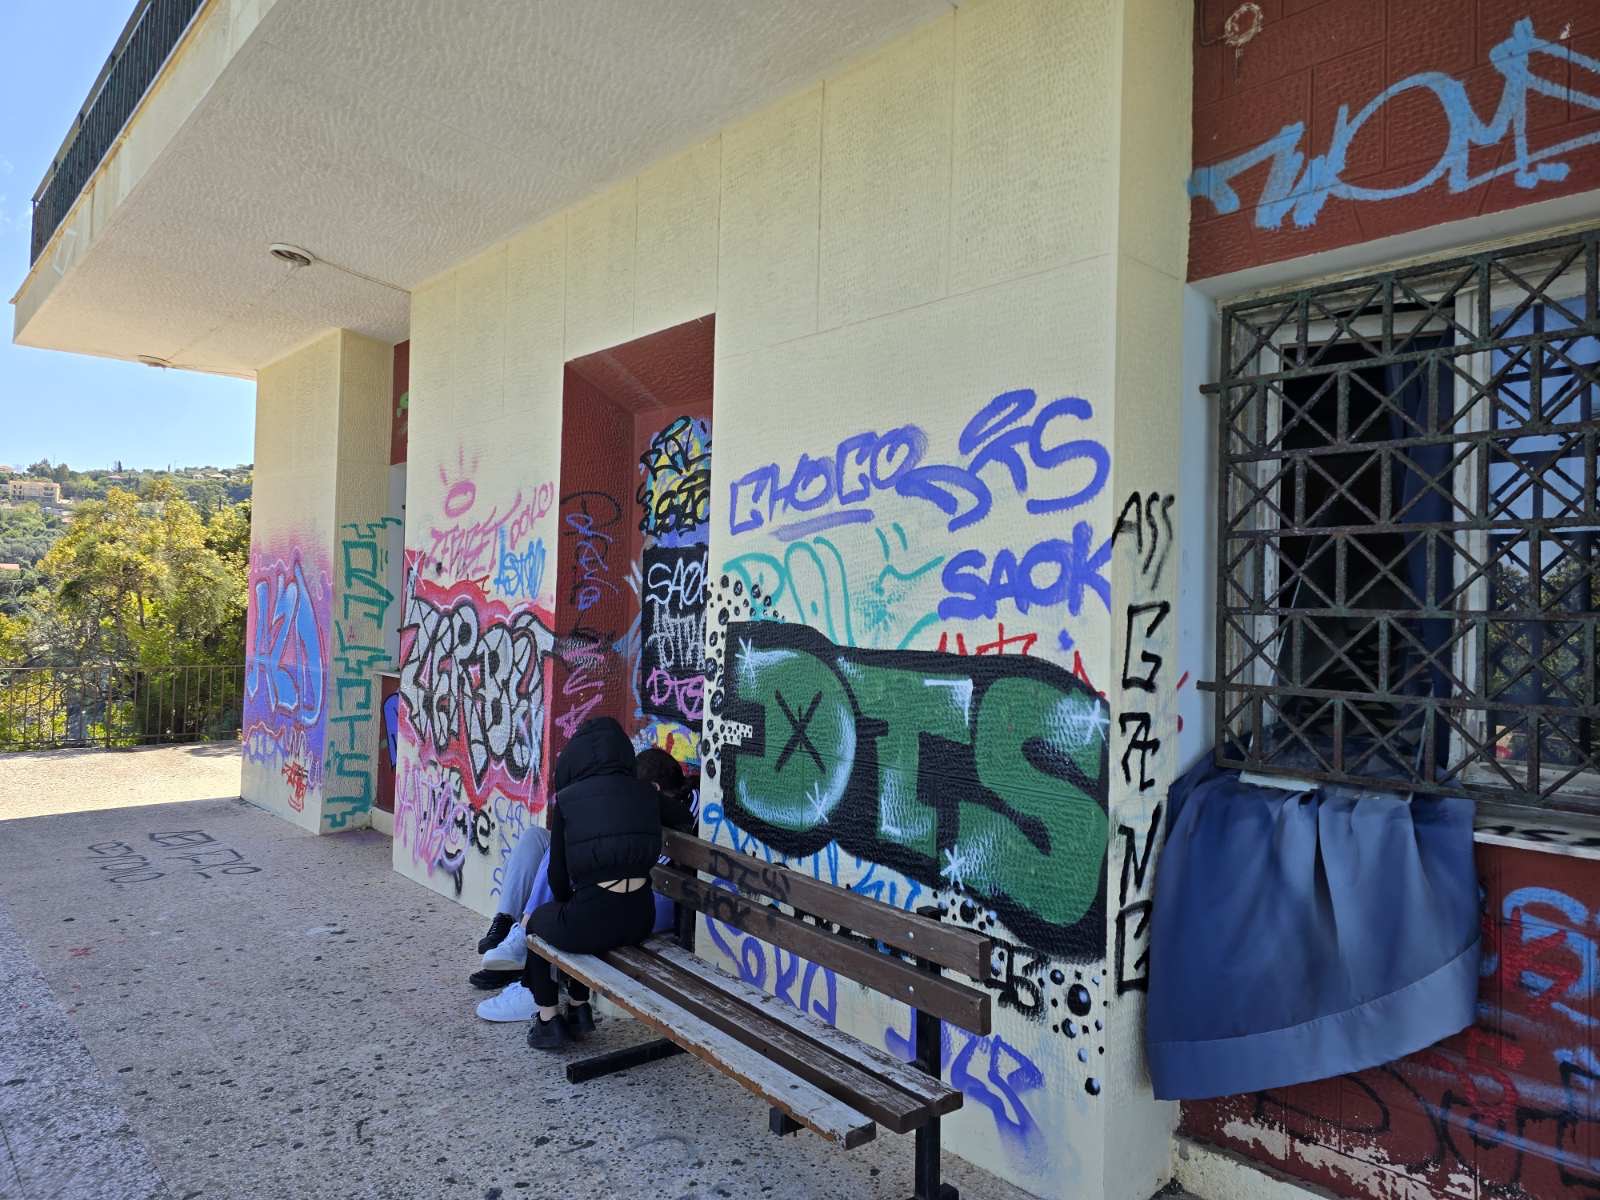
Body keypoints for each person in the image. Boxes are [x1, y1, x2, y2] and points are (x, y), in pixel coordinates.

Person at [473, 722, 696, 1034]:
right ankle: (575, 1005)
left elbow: (559, 881)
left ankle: (541, 1008)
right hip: (639, 918)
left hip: (613, 914)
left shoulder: (574, 800)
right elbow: (682, 817)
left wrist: (569, 905)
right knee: (552, 872)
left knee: (545, 921)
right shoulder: (646, 795)